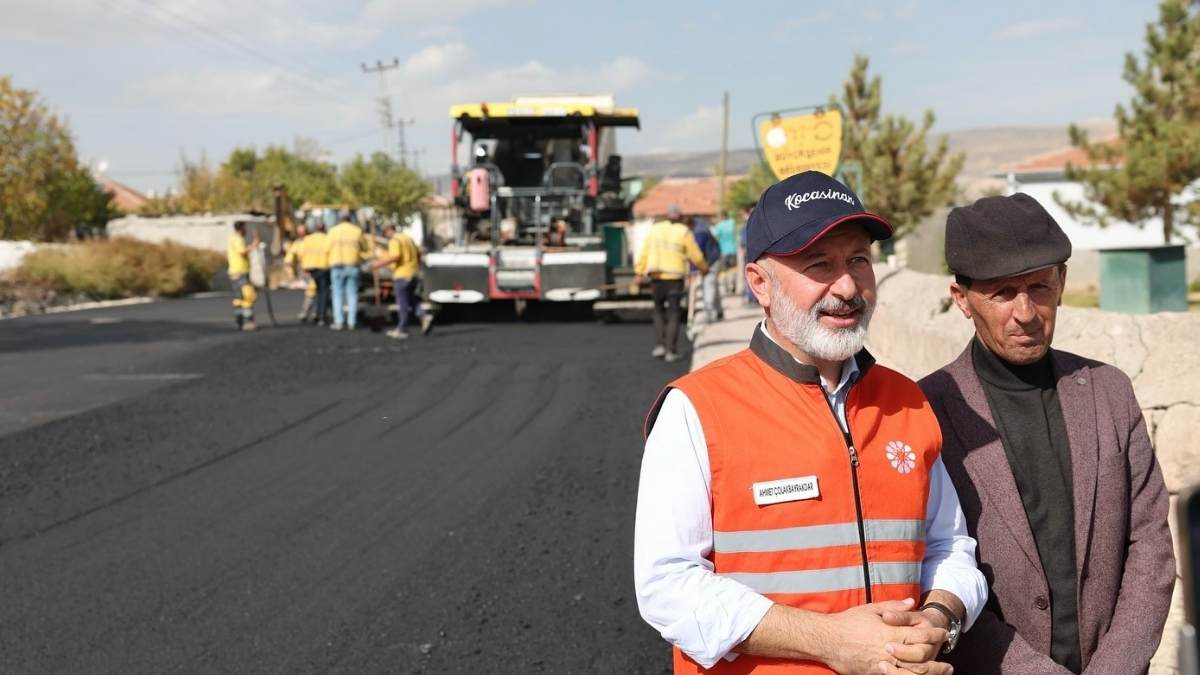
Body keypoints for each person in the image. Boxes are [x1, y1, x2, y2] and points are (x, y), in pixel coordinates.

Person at [634, 171, 987, 675]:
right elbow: (666, 584)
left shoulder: (906, 401)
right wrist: (829, 641)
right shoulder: (697, 408)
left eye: (858, 261)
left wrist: (939, 618)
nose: (846, 287)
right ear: (760, 283)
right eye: (818, 265)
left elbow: (949, 544)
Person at [918, 193, 1175, 674]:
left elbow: (1151, 548)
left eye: (1038, 287)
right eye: (1001, 293)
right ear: (962, 300)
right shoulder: (923, 411)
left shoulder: (1110, 394)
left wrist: (1114, 667)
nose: (1026, 312)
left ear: (1062, 283)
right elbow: (932, 565)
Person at [634, 205, 708, 363]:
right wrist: (703, 268)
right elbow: (695, 254)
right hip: (675, 278)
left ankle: (660, 345)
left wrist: (639, 272)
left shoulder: (655, 229)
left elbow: (644, 252)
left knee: (658, 311)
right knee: (674, 313)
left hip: (656, 277)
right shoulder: (683, 231)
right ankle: (670, 351)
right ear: (680, 217)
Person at [372, 224, 433, 339]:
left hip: (402, 274)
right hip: (413, 273)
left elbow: (396, 256)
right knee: (411, 299)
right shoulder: (408, 238)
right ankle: (423, 315)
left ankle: (402, 328)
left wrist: (378, 264)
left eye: (385, 233)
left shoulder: (395, 240)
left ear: (389, 230)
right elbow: (418, 253)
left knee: (403, 303)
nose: (386, 236)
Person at [326, 210, 369, 331]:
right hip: (352, 265)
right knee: (352, 294)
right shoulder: (356, 231)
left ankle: (339, 322)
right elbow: (365, 248)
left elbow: (326, 248)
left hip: (336, 265)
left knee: (337, 294)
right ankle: (352, 321)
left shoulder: (332, 231)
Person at [227, 221, 260, 331]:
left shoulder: (232, 238)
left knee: (239, 298)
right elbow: (242, 252)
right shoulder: (238, 239)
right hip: (240, 272)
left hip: (235, 272)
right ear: (241, 228)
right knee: (248, 296)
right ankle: (248, 321)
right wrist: (254, 245)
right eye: (244, 228)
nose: (246, 230)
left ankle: (239, 320)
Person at [692, 216, 724, 323]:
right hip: (714, 258)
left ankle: (710, 314)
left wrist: (694, 269)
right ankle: (719, 311)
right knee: (712, 285)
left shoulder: (699, 232)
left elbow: (697, 252)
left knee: (708, 285)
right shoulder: (701, 228)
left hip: (711, 261)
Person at [299, 222, 331, 325]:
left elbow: (301, 252)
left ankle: (317, 314)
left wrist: (304, 266)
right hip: (324, 267)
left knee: (317, 291)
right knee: (324, 291)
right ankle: (321, 316)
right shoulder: (327, 238)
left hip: (311, 268)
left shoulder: (308, 239)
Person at [712, 210, 738, 293]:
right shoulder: (732, 222)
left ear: (721, 217)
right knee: (733, 269)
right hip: (733, 250)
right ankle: (732, 285)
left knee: (724, 270)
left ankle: (726, 287)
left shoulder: (719, 226)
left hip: (723, 251)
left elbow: (714, 236)